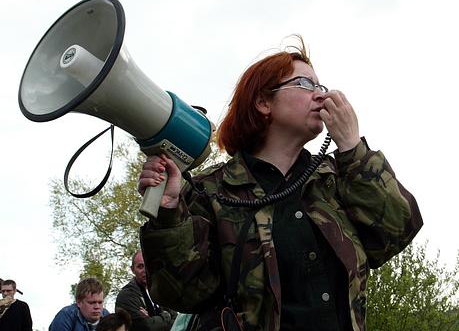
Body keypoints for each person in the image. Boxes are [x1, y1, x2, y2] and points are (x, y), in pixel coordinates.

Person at [137, 35, 423, 331]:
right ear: (263, 102)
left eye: (320, 86)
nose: (321, 95)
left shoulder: (337, 179)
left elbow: (396, 232)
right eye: (305, 84)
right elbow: (182, 292)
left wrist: (352, 148)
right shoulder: (213, 191)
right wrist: (169, 213)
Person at [115, 251, 176, 331]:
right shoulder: (126, 296)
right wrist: (166, 315)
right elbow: (145, 327)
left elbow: (177, 320)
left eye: (148, 266)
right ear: (132, 270)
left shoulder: (160, 292)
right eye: (140, 266)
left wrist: (153, 320)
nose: (145, 270)